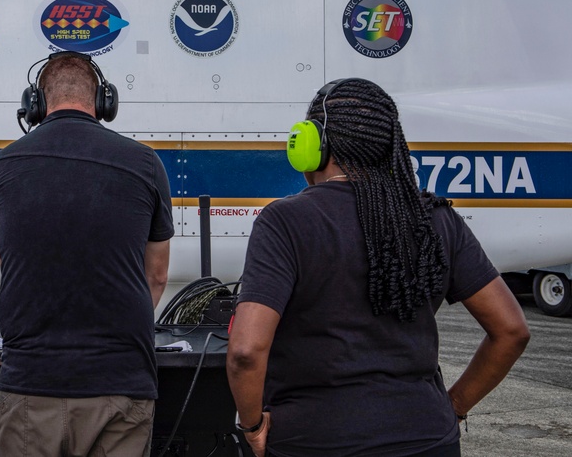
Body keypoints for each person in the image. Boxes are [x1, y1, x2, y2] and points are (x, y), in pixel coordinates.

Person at [226, 78, 530, 457]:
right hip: (427, 437)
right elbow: (511, 330)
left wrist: (252, 426)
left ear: (310, 146)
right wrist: (452, 407)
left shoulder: (285, 221)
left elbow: (245, 351)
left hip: (314, 441)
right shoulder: (435, 219)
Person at [0, 51, 174, 456]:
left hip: (30, 384)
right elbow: (155, 276)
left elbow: (9, 261)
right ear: (104, 101)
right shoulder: (146, 163)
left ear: (36, 104)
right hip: (121, 383)